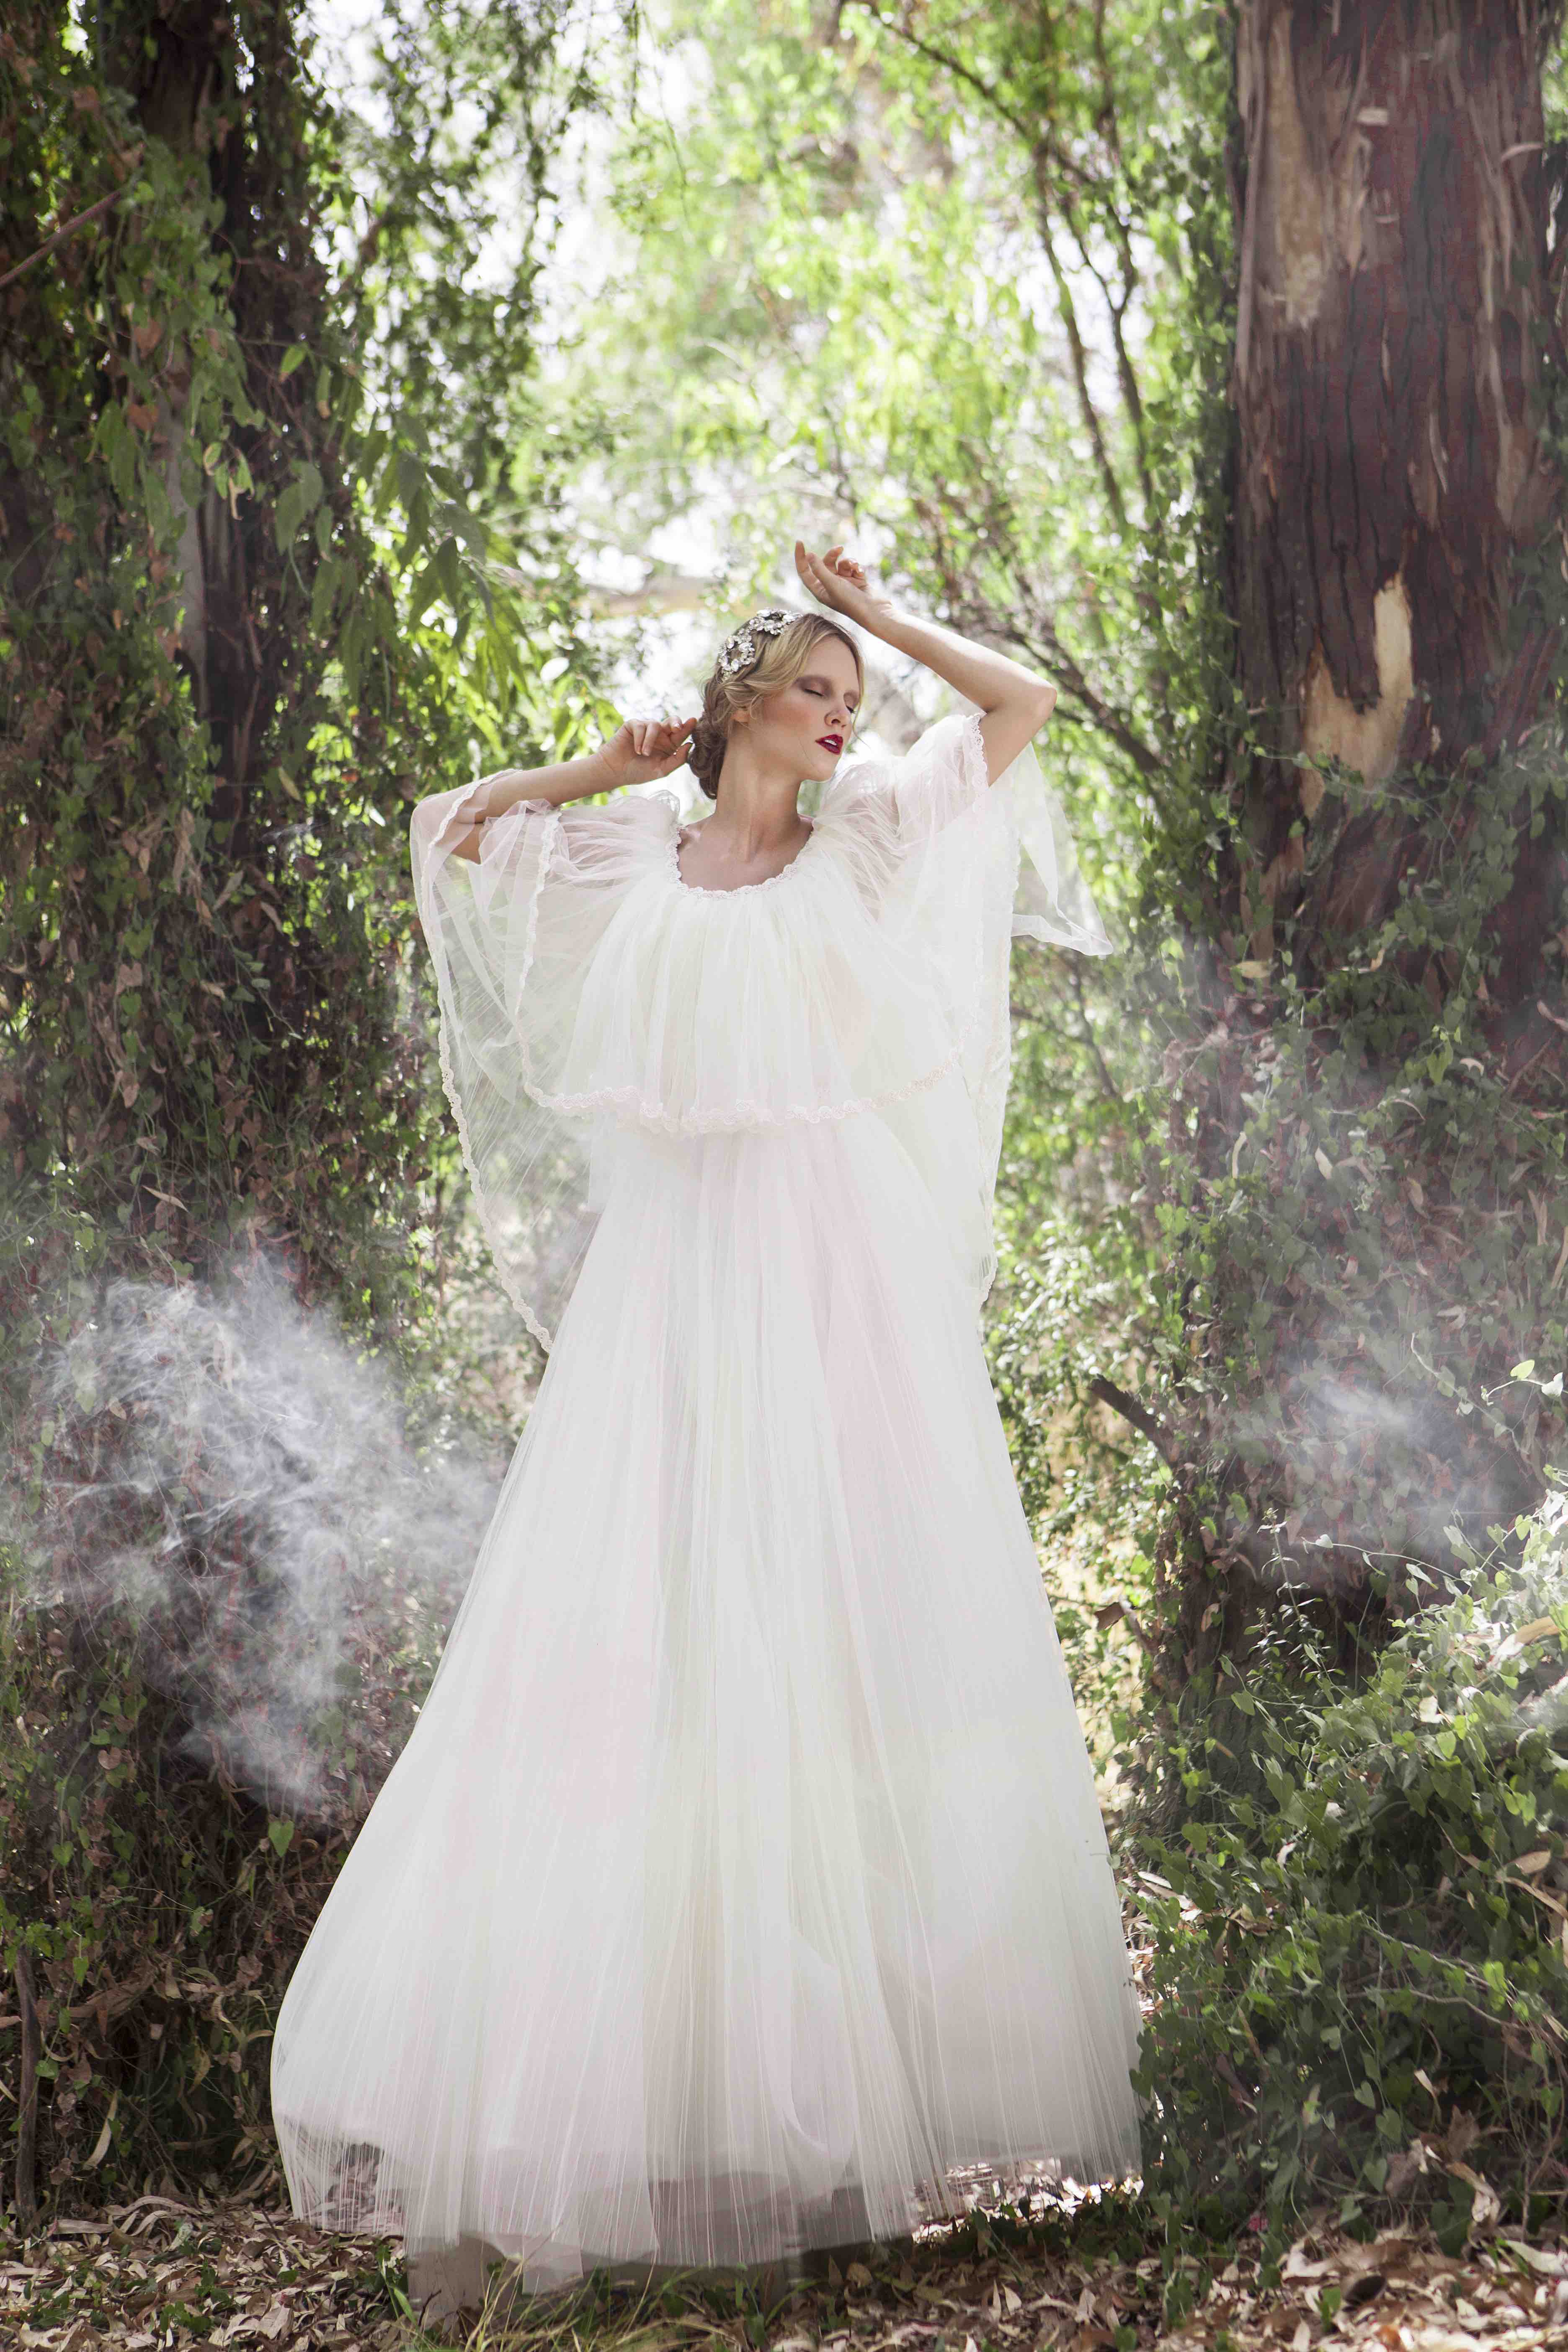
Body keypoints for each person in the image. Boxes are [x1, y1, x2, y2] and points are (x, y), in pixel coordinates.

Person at [269, 541, 1141, 2324]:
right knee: (627, 1663)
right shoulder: (629, 859)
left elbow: (1025, 705)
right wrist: (594, 769)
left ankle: (819, 2131)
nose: (841, 718)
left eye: (852, 700)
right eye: (814, 688)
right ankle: (571, 2133)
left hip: (839, 1302)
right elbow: (452, 831)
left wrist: (882, 616)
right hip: (667, 1306)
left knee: (828, 1656)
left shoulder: (870, 837)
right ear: (742, 699)